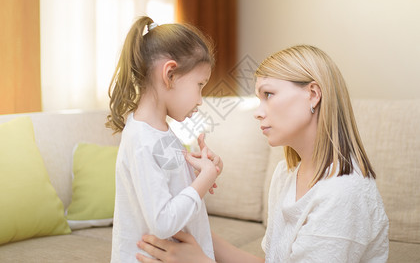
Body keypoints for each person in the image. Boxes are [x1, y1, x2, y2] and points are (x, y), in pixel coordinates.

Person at [135, 45, 389, 263]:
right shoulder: (287, 175)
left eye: (268, 94)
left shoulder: (343, 192)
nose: (258, 112)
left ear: (313, 94)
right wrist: (194, 233)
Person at [106, 16, 223, 263]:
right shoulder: (141, 139)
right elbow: (162, 222)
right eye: (200, 85)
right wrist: (204, 180)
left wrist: (199, 171)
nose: (201, 99)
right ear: (169, 74)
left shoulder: (160, 130)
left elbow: (169, 188)